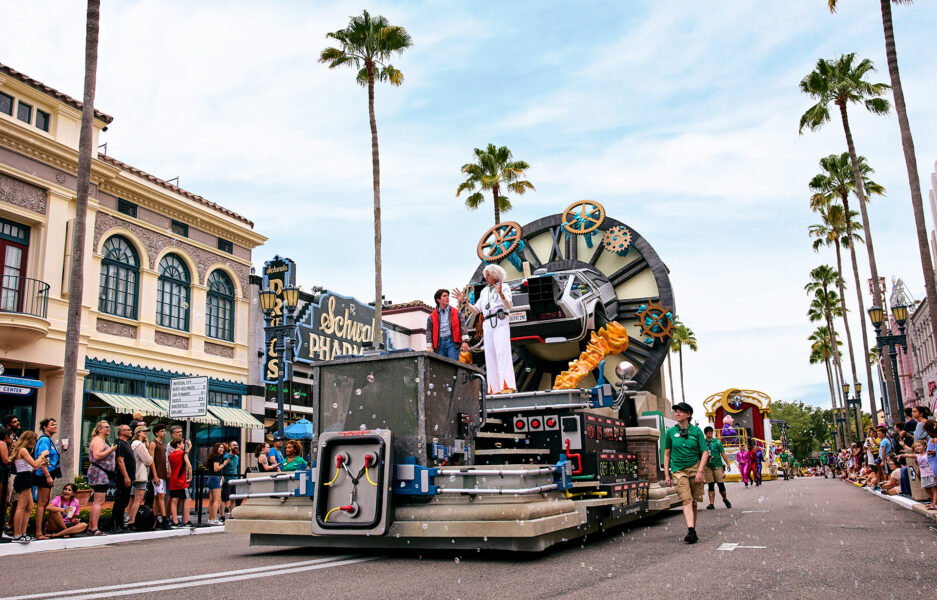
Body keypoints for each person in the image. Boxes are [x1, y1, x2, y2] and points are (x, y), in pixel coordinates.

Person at [452, 264, 516, 394]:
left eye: (488, 274)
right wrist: (465, 302)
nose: (485, 277)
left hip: (500, 320)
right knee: (490, 355)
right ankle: (494, 388)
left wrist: (502, 295)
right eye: (485, 275)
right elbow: (476, 311)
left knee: (502, 352)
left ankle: (507, 385)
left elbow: (509, 306)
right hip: (487, 323)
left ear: (495, 274)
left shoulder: (505, 287)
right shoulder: (484, 291)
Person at [663, 402, 709, 544]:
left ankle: (692, 528)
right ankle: (690, 530)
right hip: (678, 470)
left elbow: (704, 452)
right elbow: (667, 454)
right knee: (686, 499)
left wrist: (700, 471)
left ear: (688, 415)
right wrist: (666, 474)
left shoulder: (696, 431)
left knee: (694, 500)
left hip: (695, 468)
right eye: (675, 411)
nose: (676, 413)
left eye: (680, 411)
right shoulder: (671, 432)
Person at [10, 431, 49, 543]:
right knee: (21, 506)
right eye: (34, 440)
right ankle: (17, 534)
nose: (35, 443)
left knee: (29, 506)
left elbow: (30, 467)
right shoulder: (22, 450)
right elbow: (34, 464)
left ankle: (23, 532)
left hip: (26, 477)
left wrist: (41, 464)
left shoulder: (23, 451)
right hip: (23, 479)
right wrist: (42, 456)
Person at [33, 417, 64, 540]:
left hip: (51, 473)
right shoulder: (44, 440)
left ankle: (43, 529)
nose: (55, 426)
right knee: (42, 503)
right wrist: (47, 476)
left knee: (45, 502)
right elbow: (43, 458)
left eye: (56, 424)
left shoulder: (51, 440)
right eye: (52, 424)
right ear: (45, 427)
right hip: (44, 474)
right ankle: (38, 532)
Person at [86, 420, 115, 536]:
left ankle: (91, 527)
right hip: (99, 473)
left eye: (109, 427)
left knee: (98, 501)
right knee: (98, 501)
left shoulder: (102, 440)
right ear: (99, 429)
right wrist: (111, 450)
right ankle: (94, 528)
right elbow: (97, 456)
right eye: (106, 427)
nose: (108, 429)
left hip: (102, 473)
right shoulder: (98, 440)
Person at [426, 289, 470, 361]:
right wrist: (429, 347)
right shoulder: (432, 317)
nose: (447, 298)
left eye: (448, 296)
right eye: (444, 296)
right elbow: (429, 332)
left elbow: (463, 326)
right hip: (439, 345)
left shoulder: (457, 312)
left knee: (453, 366)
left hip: (452, 343)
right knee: (441, 368)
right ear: (438, 299)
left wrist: (465, 341)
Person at [898, 439, 937, 509]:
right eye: (916, 447)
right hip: (924, 475)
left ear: (925, 446)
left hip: (930, 474)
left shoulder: (928, 454)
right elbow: (909, 455)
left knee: (934, 489)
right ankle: (933, 502)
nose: (917, 448)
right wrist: (901, 455)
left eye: (919, 446)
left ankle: (934, 503)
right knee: (928, 490)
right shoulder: (917, 456)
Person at [112, 424, 135, 533]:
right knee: (120, 500)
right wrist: (126, 476)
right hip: (122, 477)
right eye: (128, 430)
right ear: (121, 432)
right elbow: (120, 461)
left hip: (130, 476)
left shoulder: (127, 443)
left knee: (125, 500)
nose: (130, 431)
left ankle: (120, 522)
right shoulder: (119, 444)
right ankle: (116, 524)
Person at [128, 425, 153, 530]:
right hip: (140, 475)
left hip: (135, 474)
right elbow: (148, 460)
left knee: (134, 499)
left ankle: (131, 518)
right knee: (138, 499)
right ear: (138, 433)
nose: (145, 433)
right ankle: (132, 520)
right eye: (143, 431)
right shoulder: (139, 445)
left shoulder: (133, 444)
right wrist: (149, 451)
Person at [702, 426, 731, 510]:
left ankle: (725, 499)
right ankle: (711, 503)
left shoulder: (717, 442)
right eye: (708, 432)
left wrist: (728, 463)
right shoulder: (703, 443)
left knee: (720, 484)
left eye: (711, 431)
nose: (710, 433)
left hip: (717, 465)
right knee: (710, 485)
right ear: (705, 433)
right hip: (707, 466)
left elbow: (723, 453)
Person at [149, 424, 170, 529]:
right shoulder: (153, 443)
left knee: (157, 497)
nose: (164, 433)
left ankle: (154, 519)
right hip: (157, 473)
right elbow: (151, 460)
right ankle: (164, 519)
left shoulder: (162, 444)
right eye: (162, 431)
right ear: (156, 432)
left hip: (162, 473)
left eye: (164, 431)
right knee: (161, 496)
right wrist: (155, 475)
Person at [167, 439, 192, 527]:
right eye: (182, 443)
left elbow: (169, 470)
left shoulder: (170, 455)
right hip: (181, 480)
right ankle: (186, 520)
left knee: (174, 500)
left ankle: (175, 520)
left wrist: (190, 447)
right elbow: (189, 466)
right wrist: (190, 477)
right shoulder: (182, 454)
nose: (183, 445)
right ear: (178, 445)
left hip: (173, 480)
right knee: (187, 499)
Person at [206, 442, 228, 526]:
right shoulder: (217, 457)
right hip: (215, 478)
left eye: (222, 448)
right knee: (217, 500)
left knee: (211, 500)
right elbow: (216, 468)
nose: (222, 449)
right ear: (216, 449)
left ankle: (210, 518)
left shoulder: (212, 456)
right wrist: (224, 464)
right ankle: (214, 519)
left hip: (211, 478)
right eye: (220, 448)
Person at [221, 440, 240, 520]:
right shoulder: (225, 457)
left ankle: (232, 515)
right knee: (224, 499)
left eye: (236, 445)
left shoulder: (237, 457)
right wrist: (222, 477)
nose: (236, 446)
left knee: (233, 499)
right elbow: (221, 467)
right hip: (227, 480)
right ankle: (222, 516)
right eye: (233, 445)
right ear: (229, 447)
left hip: (235, 479)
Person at [0, 427, 12, 541]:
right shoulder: (2, 443)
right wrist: (14, 456)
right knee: (2, 501)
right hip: (1, 475)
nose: (12, 438)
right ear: (6, 437)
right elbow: (5, 460)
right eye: (11, 436)